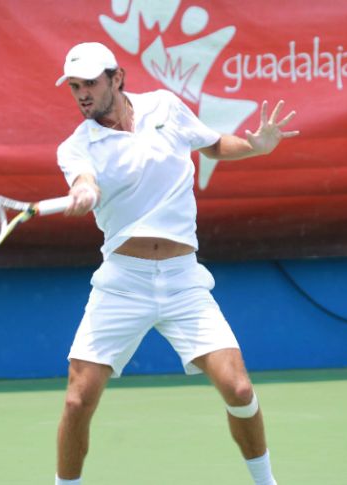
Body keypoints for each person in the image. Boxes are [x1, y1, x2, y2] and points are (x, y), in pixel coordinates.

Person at [52, 42, 299, 485]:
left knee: (239, 389)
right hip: (122, 283)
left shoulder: (165, 106)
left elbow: (213, 145)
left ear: (117, 78)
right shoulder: (76, 147)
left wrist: (256, 145)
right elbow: (83, 179)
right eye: (74, 86)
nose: (82, 93)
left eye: (90, 82)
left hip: (184, 280)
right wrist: (85, 191)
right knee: (77, 400)